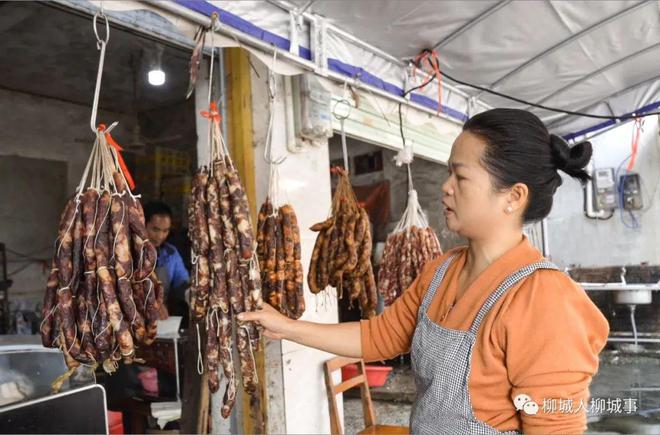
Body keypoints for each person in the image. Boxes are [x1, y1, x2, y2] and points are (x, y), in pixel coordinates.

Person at [239, 108, 610, 434]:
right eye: (449, 173)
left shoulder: (544, 298)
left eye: (460, 177)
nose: (446, 188)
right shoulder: (442, 272)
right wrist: (286, 327)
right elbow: (380, 337)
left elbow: (555, 427)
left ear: (513, 196)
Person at [144, 201, 190, 319]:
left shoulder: (171, 253)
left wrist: (189, 295)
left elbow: (182, 281)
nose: (160, 236)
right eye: (155, 230)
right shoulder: (127, 253)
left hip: (161, 320)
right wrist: (152, 303)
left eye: (165, 231)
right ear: (143, 225)